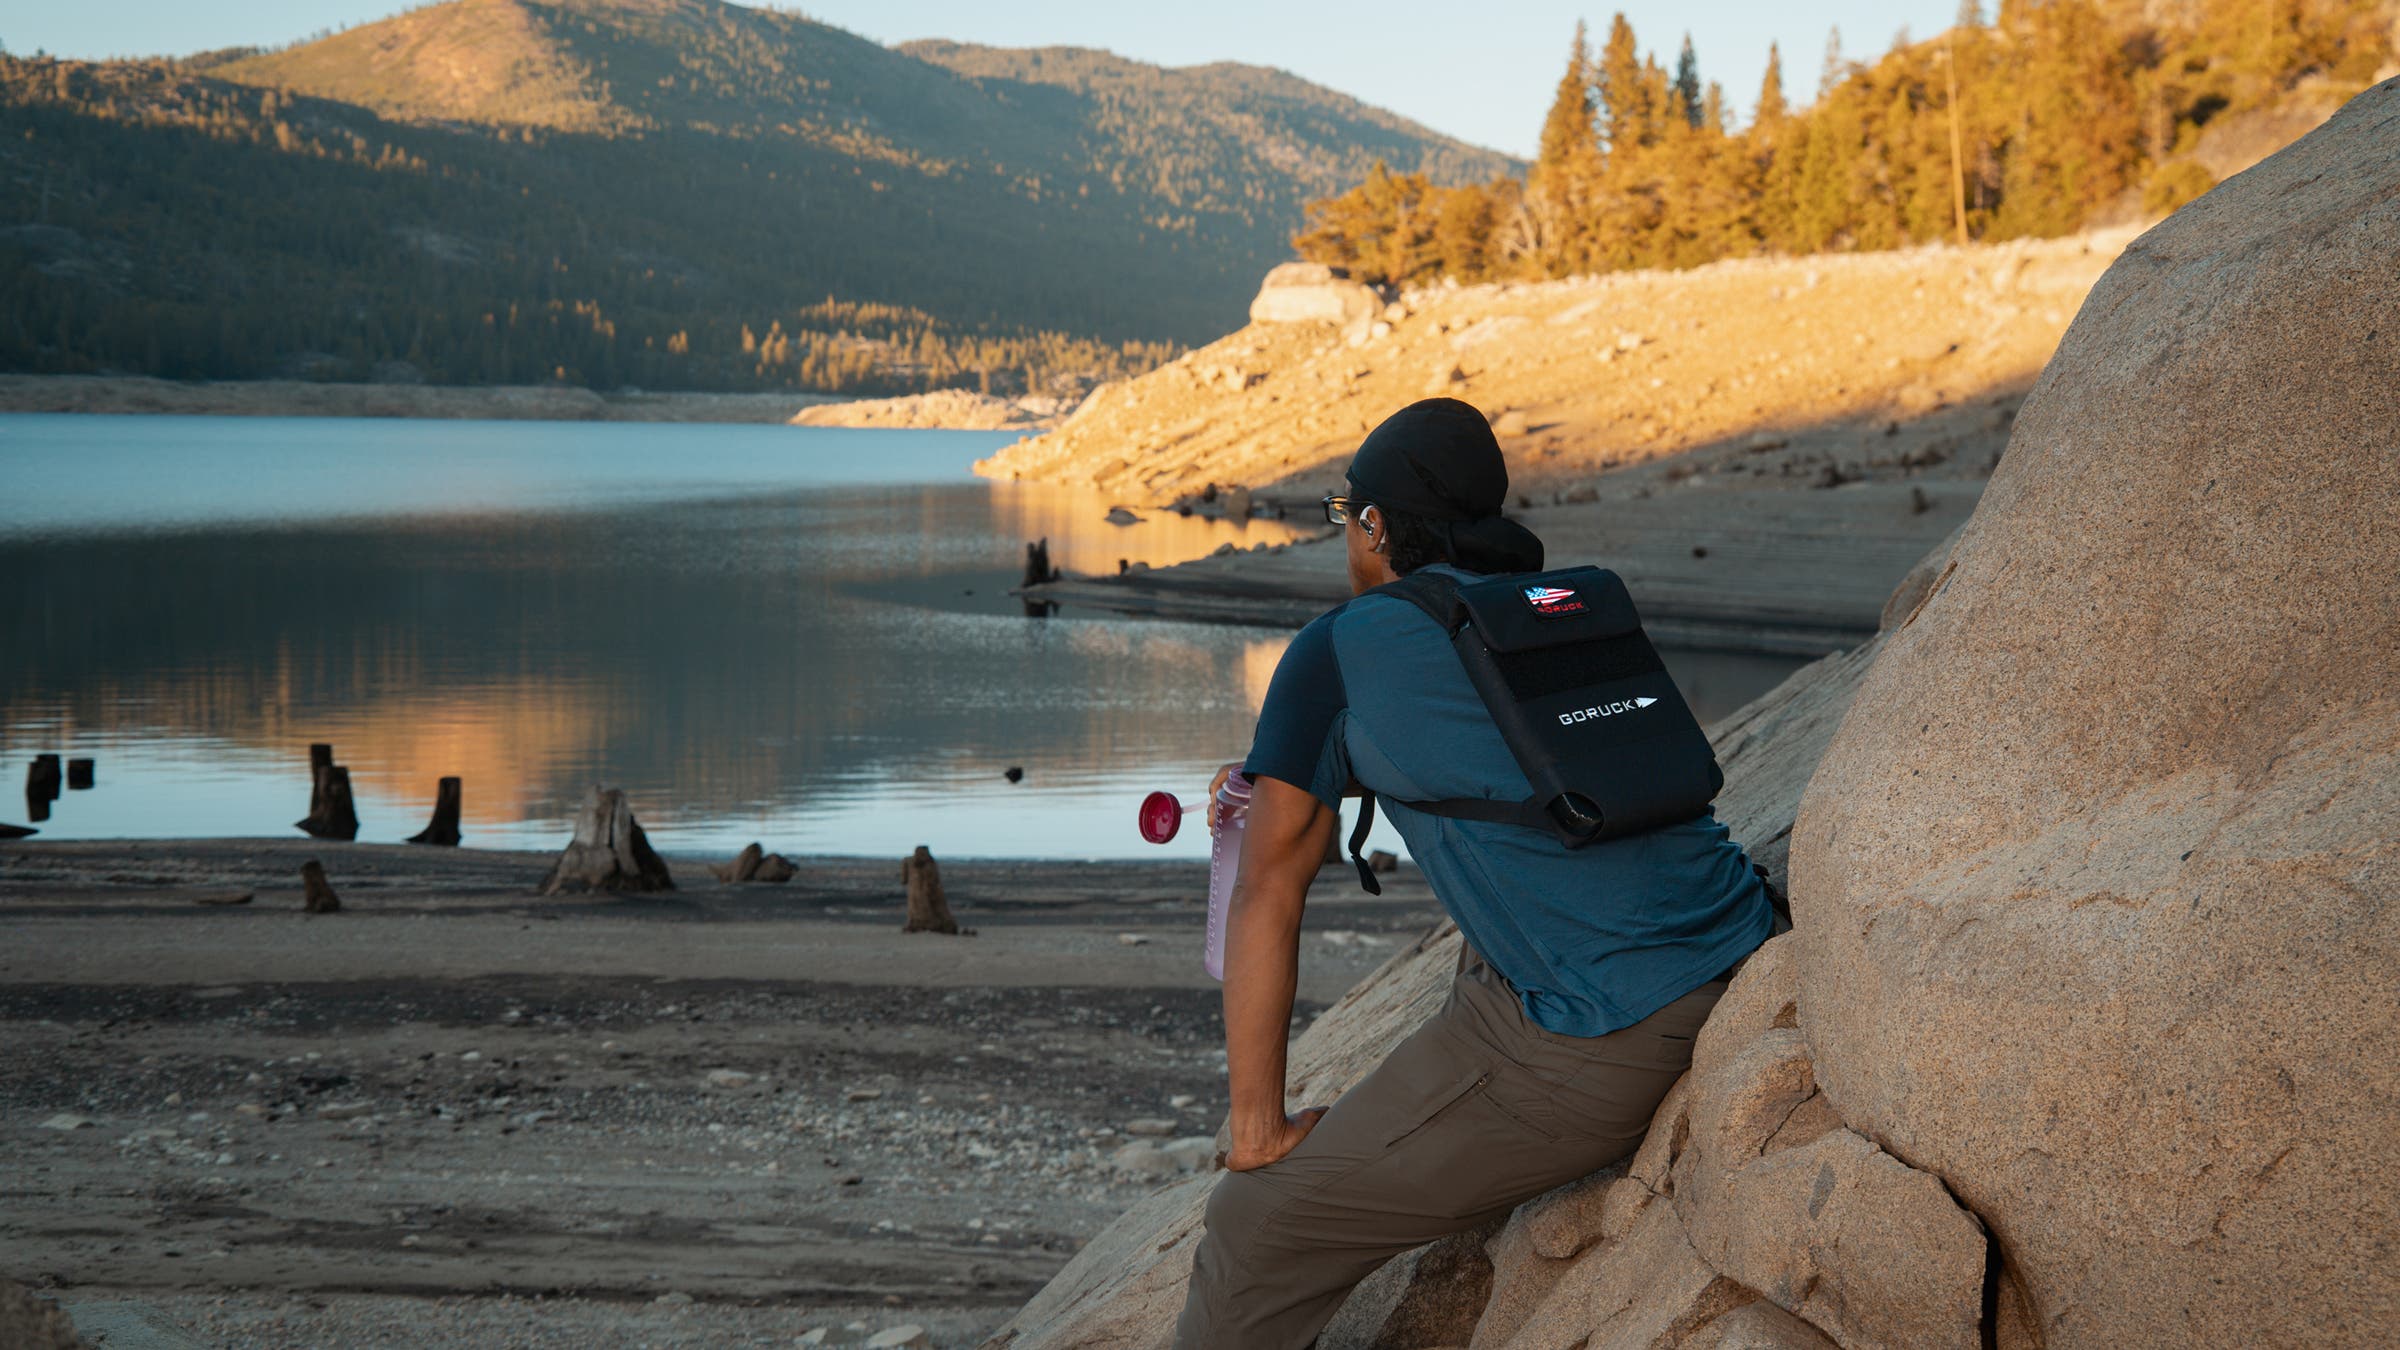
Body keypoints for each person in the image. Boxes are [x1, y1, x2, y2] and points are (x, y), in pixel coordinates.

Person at [1174, 398, 1775, 1348]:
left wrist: (1257, 1131)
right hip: (1736, 932)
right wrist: (1279, 772)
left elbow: (1265, 891)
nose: (1347, 537)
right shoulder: (1550, 610)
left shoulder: (1341, 645)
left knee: (1255, 1225)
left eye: (1346, 517)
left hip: (1611, 1028)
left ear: (1374, 526)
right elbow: (1507, 757)